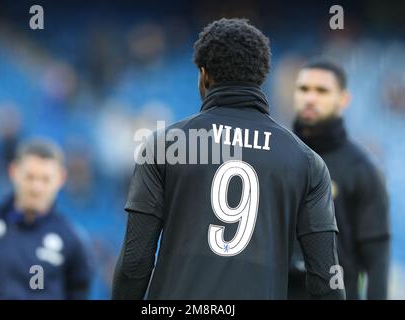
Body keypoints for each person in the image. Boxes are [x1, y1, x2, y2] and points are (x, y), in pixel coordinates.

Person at [112, 18, 345, 300]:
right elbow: (325, 280)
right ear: (261, 77)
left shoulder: (165, 145)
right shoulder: (307, 161)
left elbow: (135, 263)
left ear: (204, 74)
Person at [289, 59, 390, 300]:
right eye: (303, 89)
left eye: (321, 91)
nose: (310, 98)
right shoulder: (277, 156)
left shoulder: (362, 169)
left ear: (343, 99)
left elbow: (376, 255)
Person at [0, 138, 92, 299]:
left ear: (61, 178)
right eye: (30, 177)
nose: (37, 188)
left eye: (45, 179)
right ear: (14, 171)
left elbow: (78, 291)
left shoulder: (71, 240)